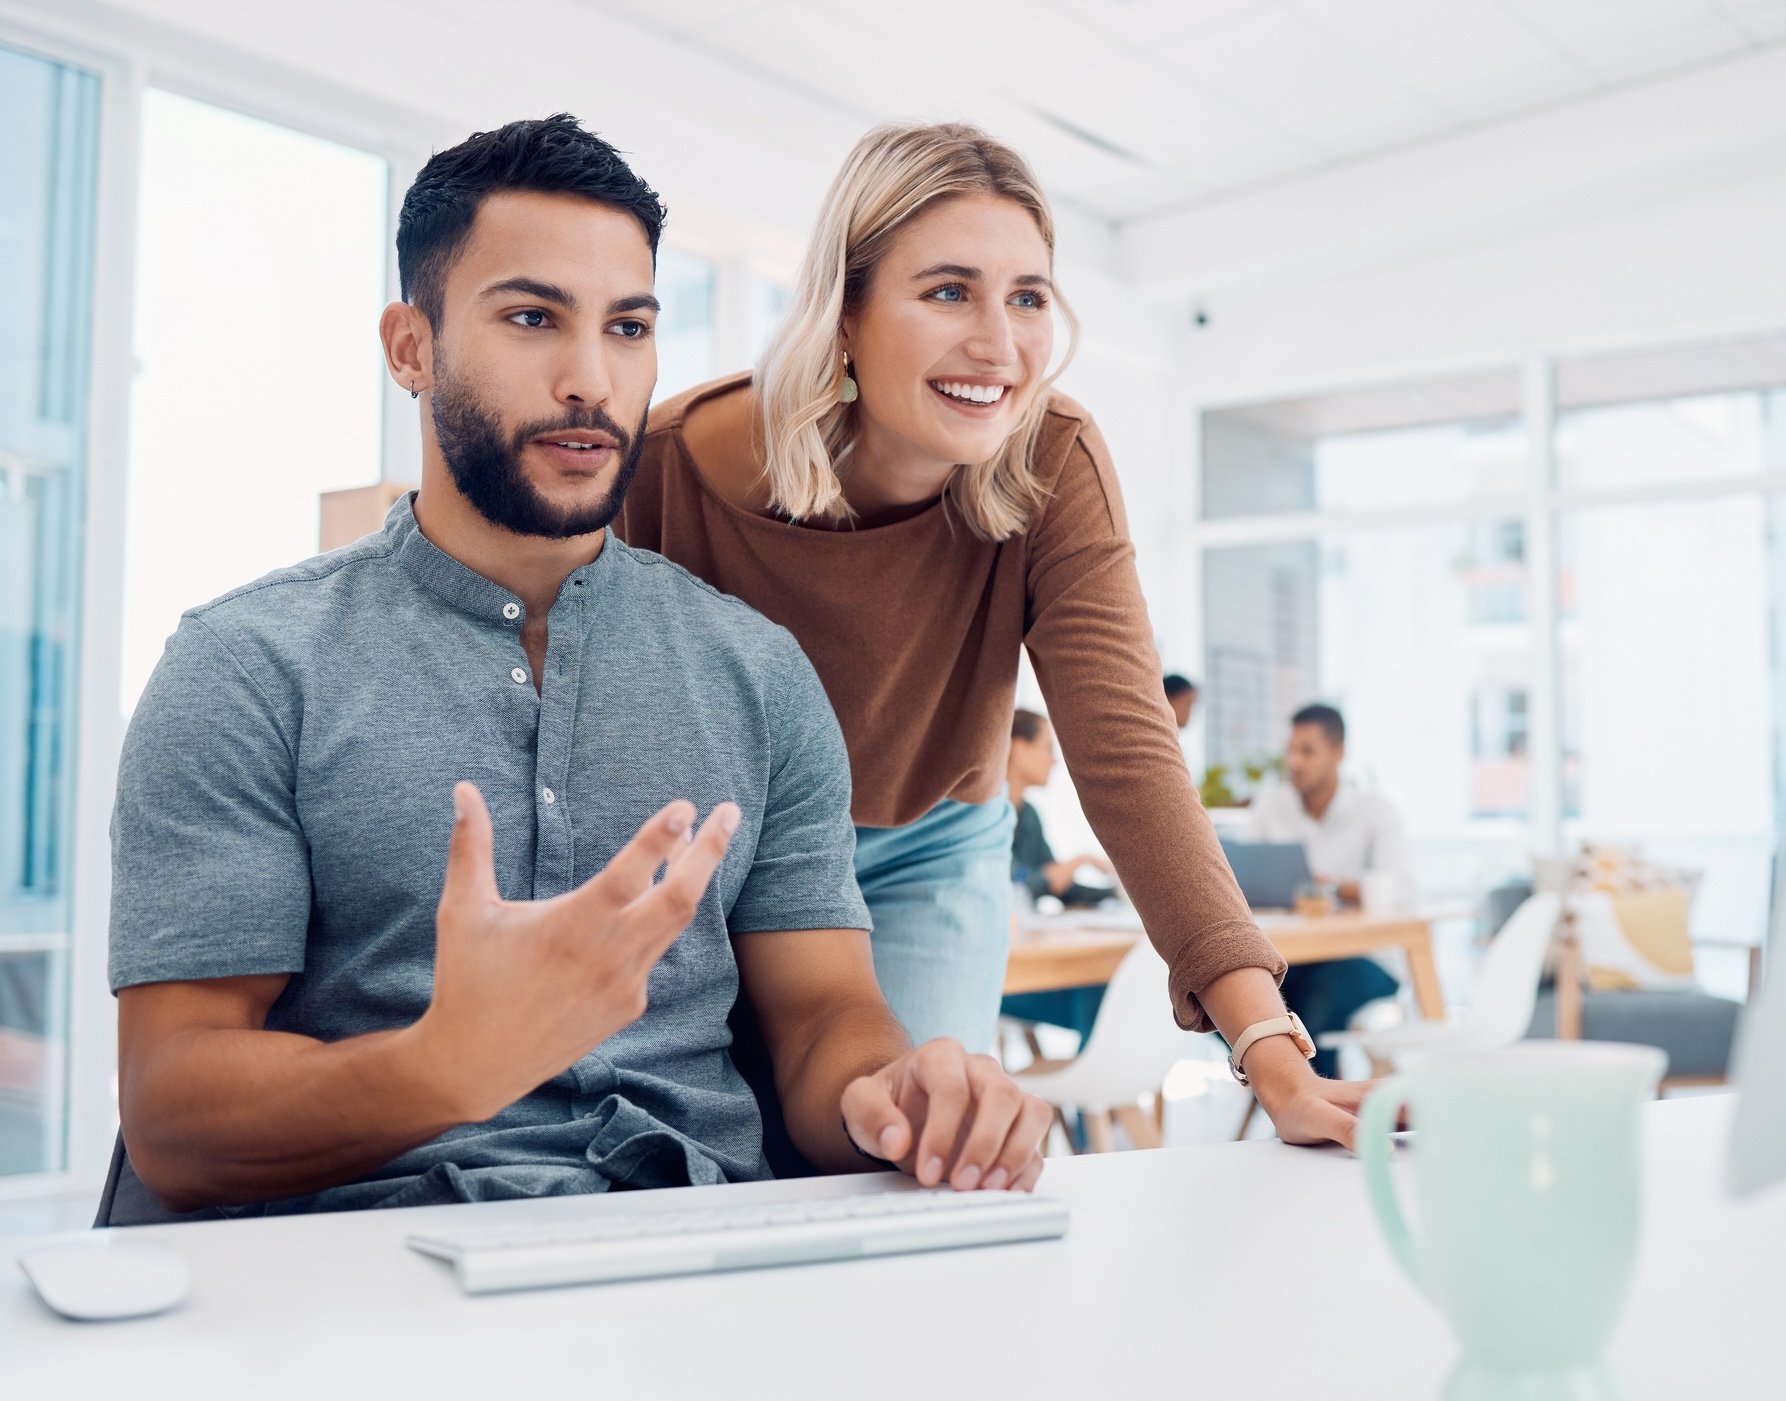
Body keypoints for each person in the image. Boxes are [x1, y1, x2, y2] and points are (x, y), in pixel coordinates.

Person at [105, 116, 1053, 1224]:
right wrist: (442, 1067)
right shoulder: (247, 667)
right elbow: (172, 1114)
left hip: (679, 1256)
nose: (590, 379)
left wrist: (897, 1093)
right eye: (530, 318)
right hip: (358, 1264)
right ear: (410, 347)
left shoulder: (758, 674)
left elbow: (821, 1020)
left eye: (629, 326)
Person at [619, 121, 1366, 1146]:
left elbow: (1128, 754)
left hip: (932, 846)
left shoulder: (1053, 460)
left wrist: (1268, 1051)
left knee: (911, 1151)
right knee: (714, 1154)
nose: (999, 344)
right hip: (722, 858)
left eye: (1026, 298)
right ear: (845, 310)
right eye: (946, 292)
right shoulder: (671, 466)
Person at [1246, 703, 1409, 1076]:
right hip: (1294, 955)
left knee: (1315, 1005)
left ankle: (1322, 1110)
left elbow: (1398, 888)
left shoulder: (1375, 811)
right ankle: (1288, 1093)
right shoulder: (1273, 805)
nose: (1295, 762)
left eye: (1307, 751)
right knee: (1247, 1002)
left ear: (1338, 753)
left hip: (1369, 957)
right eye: (1290, 751)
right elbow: (1244, 871)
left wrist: (1334, 888)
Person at [1007, 709, 1112, 909]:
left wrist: (1115, 892)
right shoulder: (982, 815)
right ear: (1019, 750)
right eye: (1047, 748)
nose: (1054, 761)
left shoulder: (1028, 815)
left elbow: (1058, 883)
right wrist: (1081, 860)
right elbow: (1015, 883)